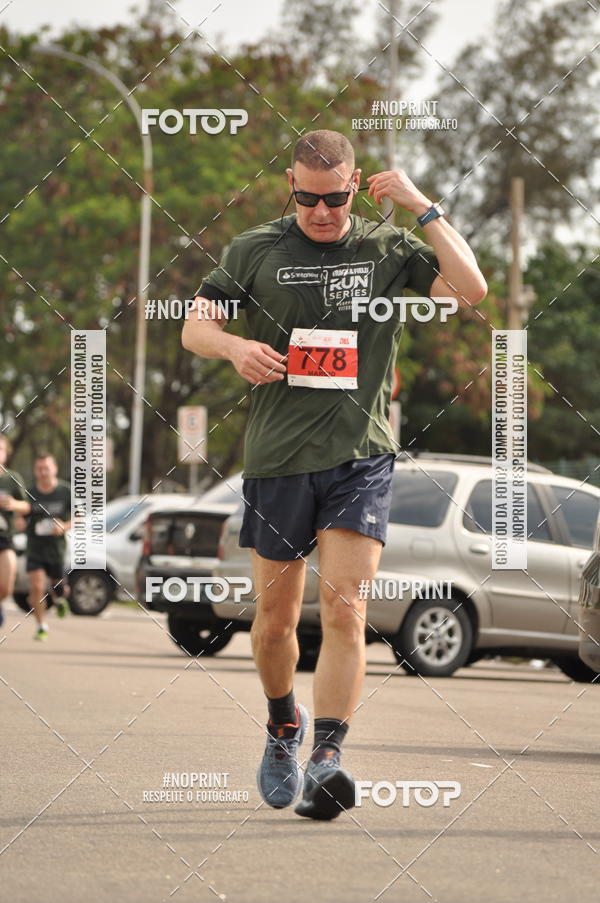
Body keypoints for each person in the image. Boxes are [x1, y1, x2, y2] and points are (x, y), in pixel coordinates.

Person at [182, 129, 487, 820]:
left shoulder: (387, 247)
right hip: (277, 459)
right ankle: (283, 723)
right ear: (288, 187)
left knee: (347, 604)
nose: (320, 211)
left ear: (355, 187)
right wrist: (232, 347)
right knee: (273, 621)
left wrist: (420, 204)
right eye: (305, 197)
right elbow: (193, 328)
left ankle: (327, 759)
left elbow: (471, 288)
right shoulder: (254, 249)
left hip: (361, 455)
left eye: (334, 198)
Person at [26, 452, 72, 640]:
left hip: (56, 549)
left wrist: (64, 525)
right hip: (35, 548)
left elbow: (78, 516)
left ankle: (60, 599)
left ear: (55, 469)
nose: (43, 472)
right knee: (37, 587)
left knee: (58, 587)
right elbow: (21, 515)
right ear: (35, 471)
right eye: (39, 468)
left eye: (47, 468)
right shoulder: (29, 492)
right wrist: (20, 523)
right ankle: (41, 626)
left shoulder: (65, 491)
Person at [0, 435, 31, 628]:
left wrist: (14, 504)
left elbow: (27, 506)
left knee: (6, 587)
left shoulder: (13, 478)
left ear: (6, 453)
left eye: (1, 449)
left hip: (5, 538)